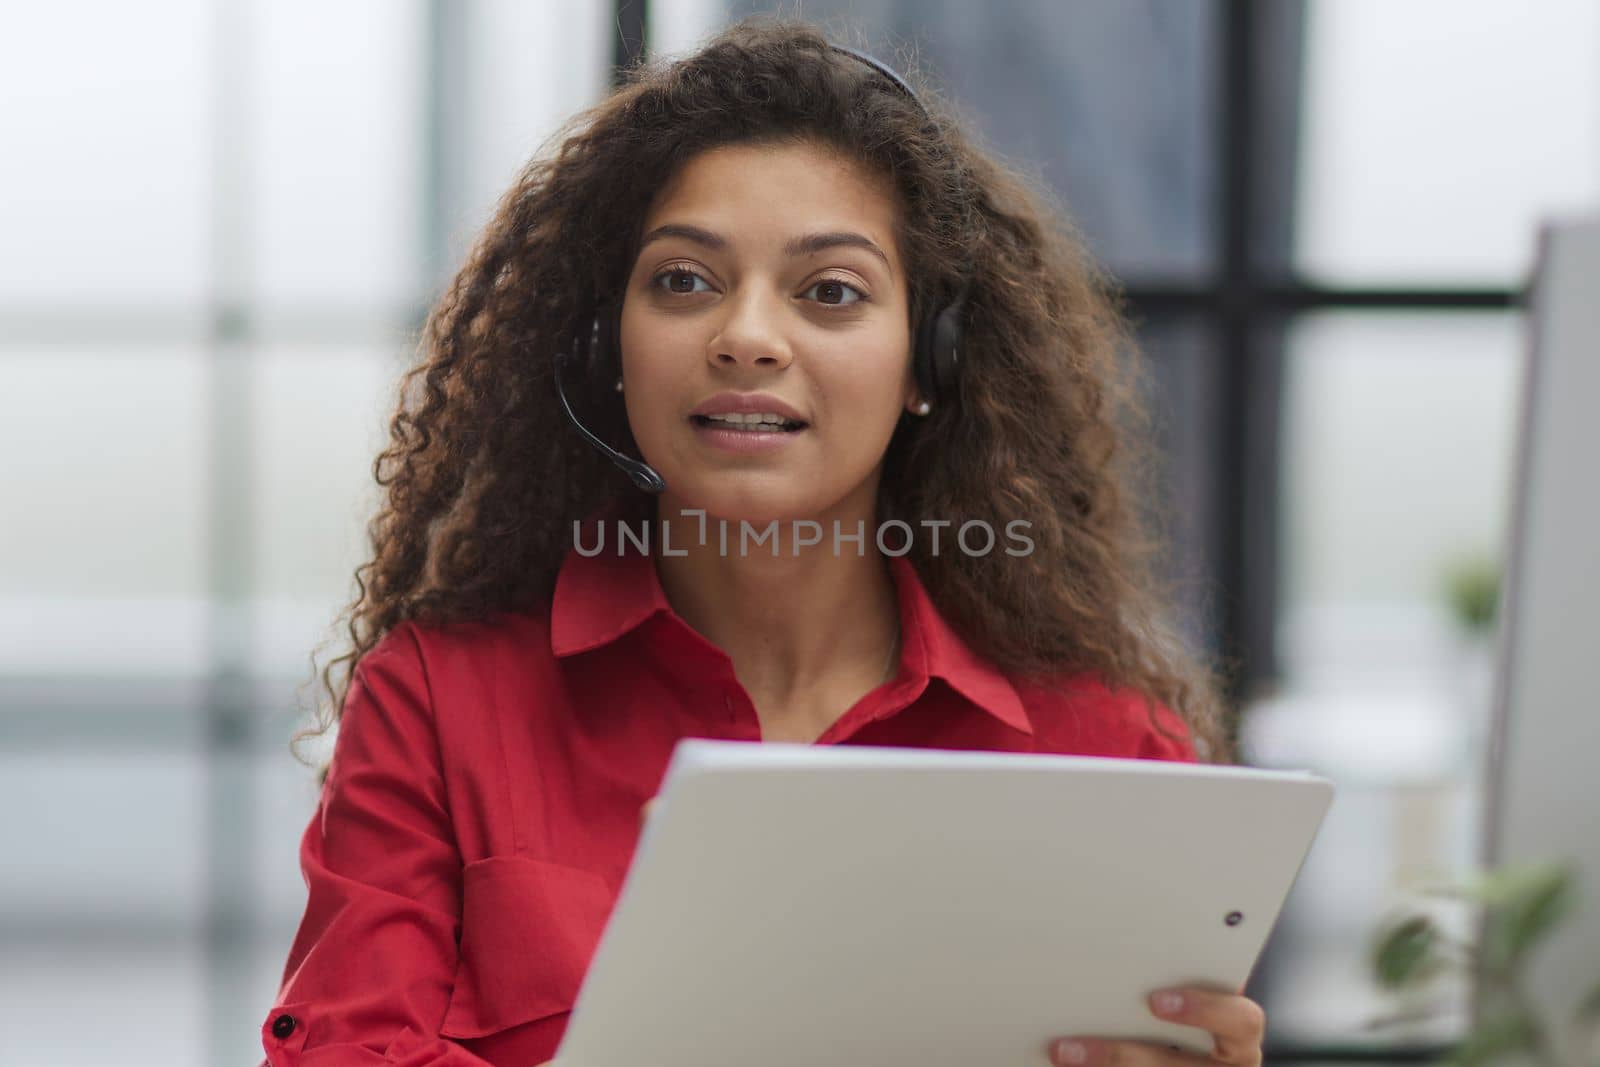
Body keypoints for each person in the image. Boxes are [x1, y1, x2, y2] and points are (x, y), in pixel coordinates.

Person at [258, 15, 1263, 1067]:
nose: (745, 336)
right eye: (683, 281)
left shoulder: (1108, 752)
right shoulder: (440, 703)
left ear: (930, 362)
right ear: (608, 345)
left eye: (830, 292)